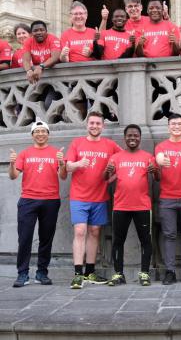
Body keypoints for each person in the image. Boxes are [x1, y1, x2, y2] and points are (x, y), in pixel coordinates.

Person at [66, 111, 121, 289]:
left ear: (103, 126)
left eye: (98, 123)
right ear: (86, 125)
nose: (95, 126)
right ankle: (77, 274)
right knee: (80, 231)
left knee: (95, 231)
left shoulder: (110, 145)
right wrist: (77, 164)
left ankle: (90, 271)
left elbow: (124, 159)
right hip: (79, 196)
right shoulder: (77, 143)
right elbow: (66, 166)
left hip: (100, 196)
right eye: (92, 123)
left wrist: (111, 179)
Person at [9, 119, 67, 287]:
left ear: (48, 134)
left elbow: (63, 176)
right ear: (32, 135)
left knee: (46, 239)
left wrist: (62, 163)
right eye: (37, 131)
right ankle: (22, 274)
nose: (41, 134)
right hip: (28, 200)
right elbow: (13, 176)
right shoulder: (25, 153)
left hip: (51, 200)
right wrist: (12, 162)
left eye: (44, 131)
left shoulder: (56, 152)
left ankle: (42, 273)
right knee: (25, 238)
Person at [104, 124, 158, 287]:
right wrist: (107, 171)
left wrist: (154, 170)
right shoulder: (116, 157)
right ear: (125, 138)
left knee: (146, 241)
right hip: (120, 206)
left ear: (140, 138)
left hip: (142, 206)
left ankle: (144, 273)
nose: (132, 138)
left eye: (135, 135)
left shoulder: (148, 157)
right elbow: (106, 180)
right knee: (118, 241)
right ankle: (119, 274)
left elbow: (158, 178)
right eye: (129, 135)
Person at [155, 114, 181, 285]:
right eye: (173, 124)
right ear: (168, 127)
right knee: (169, 235)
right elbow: (158, 159)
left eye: (180, 124)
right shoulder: (161, 146)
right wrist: (161, 161)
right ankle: (170, 271)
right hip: (167, 198)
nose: (176, 127)